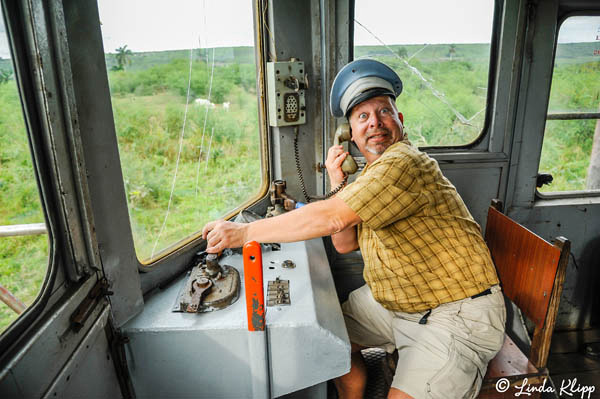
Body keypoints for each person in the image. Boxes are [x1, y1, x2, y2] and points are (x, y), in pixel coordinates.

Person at [202, 59, 506, 399]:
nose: (375, 123)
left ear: (400, 122)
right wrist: (338, 180)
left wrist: (244, 234)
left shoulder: (403, 162)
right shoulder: (370, 179)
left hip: (454, 312)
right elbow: (345, 243)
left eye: (384, 112)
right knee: (325, 341)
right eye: (362, 117)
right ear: (349, 134)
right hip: (397, 304)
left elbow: (334, 219)